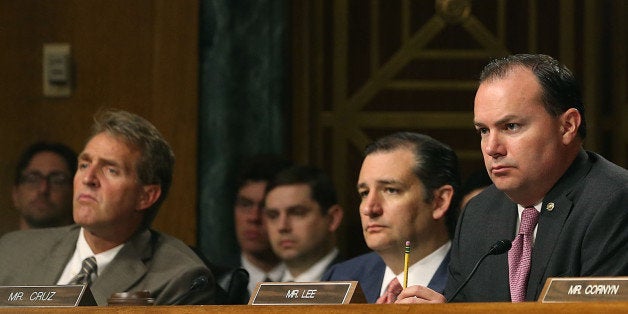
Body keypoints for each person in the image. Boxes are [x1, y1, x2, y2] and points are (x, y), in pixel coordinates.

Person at [397, 54, 628, 304]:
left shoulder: (615, 201)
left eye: (511, 127)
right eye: (484, 131)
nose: (492, 148)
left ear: (567, 126)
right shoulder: (478, 214)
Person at [0, 109, 215, 305]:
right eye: (84, 165)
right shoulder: (14, 250)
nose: (88, 178)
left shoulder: (180, 279)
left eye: (110, 170)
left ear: (146, 196)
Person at [323, 132, 461, 303]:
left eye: (391, 190)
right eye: (364, 193)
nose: (369, 208)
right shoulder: (341, 278)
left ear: (439, 201)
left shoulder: (478, 281)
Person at [263, 165, 344, 282]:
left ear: (332, 219)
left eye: (297, 213)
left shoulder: (362, 284)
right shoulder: (261, 291)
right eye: (273, 216)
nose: (282, 226)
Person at [231, 154, 293, 294]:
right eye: (245, 204)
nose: (254, 217)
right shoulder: (213, 281)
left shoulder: (327, 279)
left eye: (266, 207)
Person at [12, 142, 77, 229]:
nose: (43, 189)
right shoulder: (5, 242)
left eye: (57, 181)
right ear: (15, 194)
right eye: (33, 179)